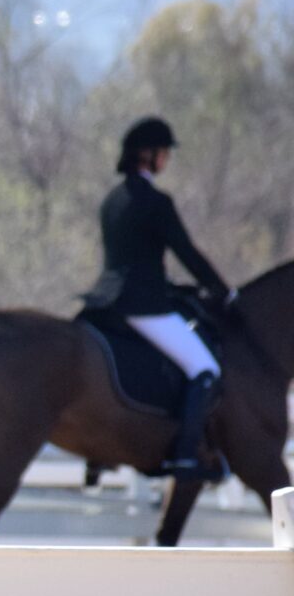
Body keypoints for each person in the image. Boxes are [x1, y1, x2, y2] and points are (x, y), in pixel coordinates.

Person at [82, 116, 232, 478]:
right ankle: (184, 453)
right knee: (205, 368)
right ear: (148, 156)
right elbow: (186, 252)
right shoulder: (155, 201)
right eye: (164, 152)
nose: (166, 159)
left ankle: (97, 456)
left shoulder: (112, 200)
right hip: (143, 305)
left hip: (104, 302)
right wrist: (223, 289)